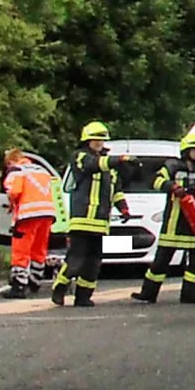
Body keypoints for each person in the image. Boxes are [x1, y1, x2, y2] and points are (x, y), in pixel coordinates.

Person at [135, 131, 195, 305]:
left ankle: (190, 295)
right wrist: (172, 187)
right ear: (185, 150)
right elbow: (156, 181)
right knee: (160, 263)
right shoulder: (172, 166)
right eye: (194, 149)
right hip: (173, 224)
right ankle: (148, 294)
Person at [54, 121, 129, 307]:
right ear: (87, 140)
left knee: (93, 264)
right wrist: (118, 160)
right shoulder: (80, 157)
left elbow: (116, 190)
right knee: (76, 260)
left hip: (101, 222)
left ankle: (83, 296)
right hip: (82, 220)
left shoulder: (108, 165)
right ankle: (60, 288)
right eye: (95, 140)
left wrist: (124, 207)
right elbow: (92, 165)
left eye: (101, 140)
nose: (99, 143)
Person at [1, 150, 56, 298]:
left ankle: (19, 286)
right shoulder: (42, 171)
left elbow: (14, 191)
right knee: (39, 249)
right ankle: (35, 281)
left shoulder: (17, 171)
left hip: (27, 215)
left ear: (10, 161)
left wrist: (12, 203)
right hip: (47, 213)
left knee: (21, 250)